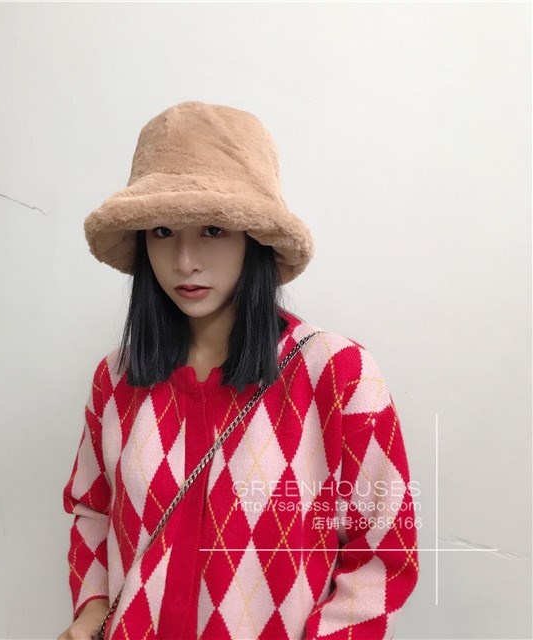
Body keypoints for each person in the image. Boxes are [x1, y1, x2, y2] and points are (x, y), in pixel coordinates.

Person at [57, 101, 419, 640]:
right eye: (162, 230)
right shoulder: (117, 379)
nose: (184, 260)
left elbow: (383, 553)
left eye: (212, 229)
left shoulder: (338, 375)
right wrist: (92, 611)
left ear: (255, 237)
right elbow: (93, 513)